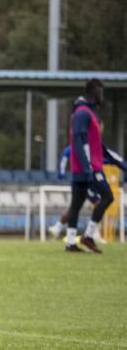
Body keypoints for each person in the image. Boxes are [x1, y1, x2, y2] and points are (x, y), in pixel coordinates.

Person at [62, 79, 114, 253]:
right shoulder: (83, 113)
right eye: (102, 92)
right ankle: (88, 236)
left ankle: (70, 242)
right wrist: (87, 167)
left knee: (76, 204)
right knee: (107, 196)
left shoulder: (84, 112)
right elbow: (79, 140)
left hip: (81, 167)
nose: (102, 96)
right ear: (96, 91)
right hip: (88, 167)